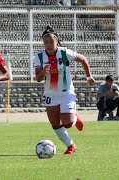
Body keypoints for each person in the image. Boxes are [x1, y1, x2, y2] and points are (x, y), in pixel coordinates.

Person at [34, 26, 95, 155]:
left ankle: (75, 118)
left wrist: (89, 76)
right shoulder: (39, 56)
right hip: (50, 93)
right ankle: (71, 146)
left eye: (51, 42)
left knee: (67, 124)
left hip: (66, 92)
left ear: (56, 41)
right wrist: (44, 72)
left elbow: (83, 59)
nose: (49, 45)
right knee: (55, 123)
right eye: (46, 42)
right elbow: (38, 79)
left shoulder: (64, 53)